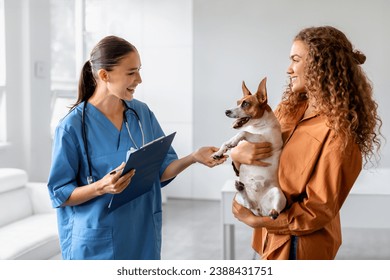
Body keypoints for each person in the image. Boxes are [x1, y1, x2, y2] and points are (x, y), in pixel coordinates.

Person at [47, 35, 226, 260]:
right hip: (96, 241)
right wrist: (101, 187)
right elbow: (60, 194)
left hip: (141, 235)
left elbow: (159, 172)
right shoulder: (72, 127)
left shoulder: (141, 114)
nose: (139, 79)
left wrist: (193, 157)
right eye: (131, 72)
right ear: (104, 75)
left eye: (139, 70)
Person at [230, 26, 382, 260]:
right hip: (266, 239)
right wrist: (237, 158)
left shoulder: (339, 130)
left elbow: (318, 209)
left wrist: (256, 220)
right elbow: (263, 161)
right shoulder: (286, 111)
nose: (288, 69)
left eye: (296, 59)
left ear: (321, 66)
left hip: (299, 246)